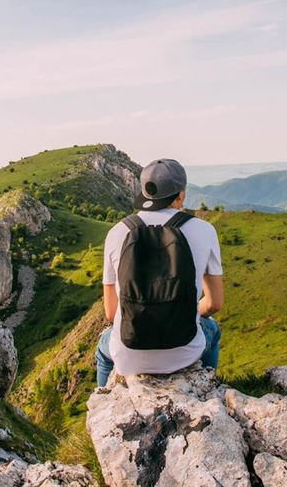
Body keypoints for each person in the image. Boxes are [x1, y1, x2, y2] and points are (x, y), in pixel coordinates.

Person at [95, 158, 224, 388]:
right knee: (212, 329)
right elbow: (215, 304)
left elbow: (111, 312)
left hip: (129, 353)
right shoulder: (205, 230)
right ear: (181, 195)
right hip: (185, 352)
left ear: (144, 192)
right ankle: (207, 385)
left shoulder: (117, 233)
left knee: (103, 351)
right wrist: (187, 310)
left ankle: (105, 393)